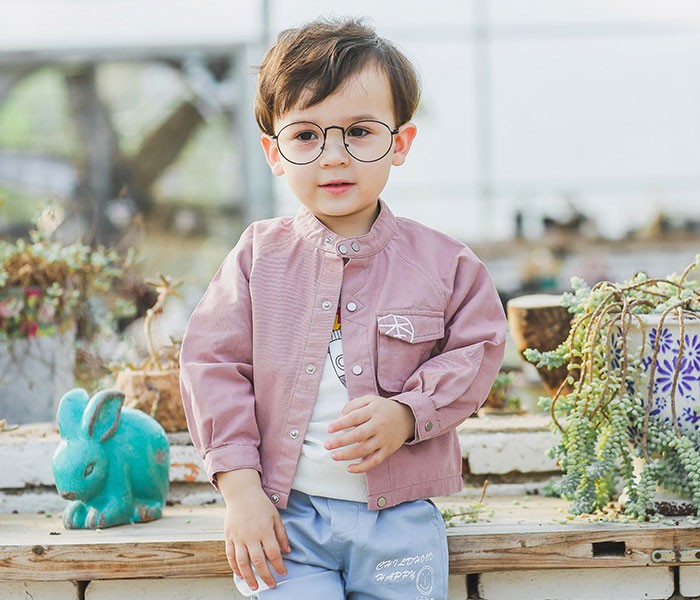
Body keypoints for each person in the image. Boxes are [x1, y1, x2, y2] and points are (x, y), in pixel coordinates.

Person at [180, 16, 506, 599]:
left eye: (359, 131)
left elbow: (478, 349)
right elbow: (212, 368)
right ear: (274, 152)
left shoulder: (446, 265)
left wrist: (407, 413)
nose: (334, 156)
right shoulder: (256, 257)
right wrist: (242, 493)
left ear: (399, 143)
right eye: (306, 135)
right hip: (283, 522)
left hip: (399, 522)